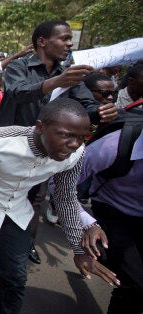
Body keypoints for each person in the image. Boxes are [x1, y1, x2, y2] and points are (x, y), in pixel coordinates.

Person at [0, 98, 120, 314]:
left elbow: (65, 197)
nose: (75, 144)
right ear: (40, 127)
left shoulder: (76, 154)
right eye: (66, 135)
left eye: (81, 137)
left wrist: (79, 249)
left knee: (15, 277)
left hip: (17, 212)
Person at [0, 20, 119, 264]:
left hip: (45, 153)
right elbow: (18, 93)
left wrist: (102, 112)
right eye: (64, 38)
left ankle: (23, 246)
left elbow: (87, 105)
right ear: (42, 41)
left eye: (69, 39)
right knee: (2, 197)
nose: (70, 43)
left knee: (34, 199)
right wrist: (55, 83)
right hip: (11, 148)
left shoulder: (69, 75)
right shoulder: (19, 67)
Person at [78, 118, 143, 314]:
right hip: (114, 209)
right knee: (136, 286)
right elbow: (61, 186)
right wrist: (87, 225)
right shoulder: (110, 147)